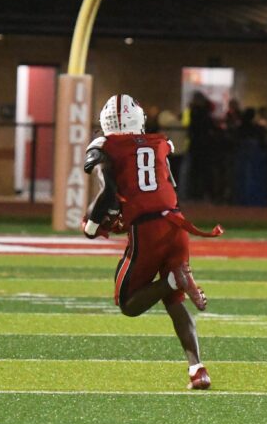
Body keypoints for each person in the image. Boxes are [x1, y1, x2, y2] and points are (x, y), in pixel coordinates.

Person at [82, 94, 223, 391]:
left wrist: (92, 226)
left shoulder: (105, 146)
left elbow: (108, 191)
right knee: (174, 303)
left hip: (148, 230)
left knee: (128, 304)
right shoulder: (159, 142)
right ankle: (197, 369)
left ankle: (173, 280)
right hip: (176, 223)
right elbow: (161, 185)